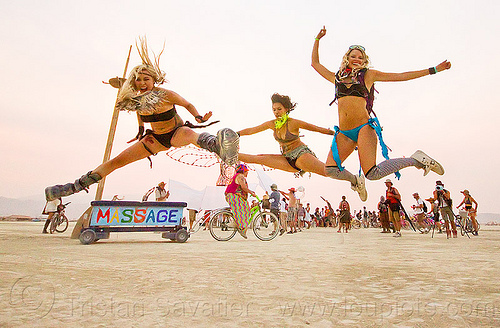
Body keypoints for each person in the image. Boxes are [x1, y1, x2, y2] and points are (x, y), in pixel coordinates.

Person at [44, 38, 239, 202]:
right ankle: (72, 187)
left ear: (154, 80)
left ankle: (218, 145)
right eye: (138, 79)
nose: (142, 83)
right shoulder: (136, 100)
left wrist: (198, 117)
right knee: (117, 161)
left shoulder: (166, 95)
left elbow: (186, 104)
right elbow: (140, 113)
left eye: (146, 79)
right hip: (155, 138)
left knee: (188, 134)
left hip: (175, 132)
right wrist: (140, 130)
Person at [311, 26, 450, 201]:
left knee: (373, 173)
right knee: (330, 169)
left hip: (363, 128)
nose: (356, 59)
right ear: (347, 58)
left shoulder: (368, 75)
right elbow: (315, 64)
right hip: (344, 133)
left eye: (360, 58)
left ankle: (416, 160)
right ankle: (355, 180)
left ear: (364, 61)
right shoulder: (337, 77)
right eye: (353, 56)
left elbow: (401, 76)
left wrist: (434, 70)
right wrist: (317, 40)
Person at [238, 93, 334, 178]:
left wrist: (332, 133)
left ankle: (348, 178)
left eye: (279, 109)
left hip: (300, 154)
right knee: (258, 158)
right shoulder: (272, 124)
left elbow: (315, 128)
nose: (276, 112)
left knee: (327, 172)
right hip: (287, 158)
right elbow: (252, 130)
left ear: (286, 109)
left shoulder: (293, 123)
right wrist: (236, 134)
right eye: (274, 110)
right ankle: (226, 154)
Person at [224, 163, 257, 239]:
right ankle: (240, 226)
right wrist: (252, 192)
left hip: (231, 195)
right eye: (246, 171)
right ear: (243, 171)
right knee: (244, 210)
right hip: (233, 196)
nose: (247, 173)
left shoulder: (236, 176)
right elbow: (244, 187)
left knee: (245, 208)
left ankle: (240, 226)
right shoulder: (240, 176)